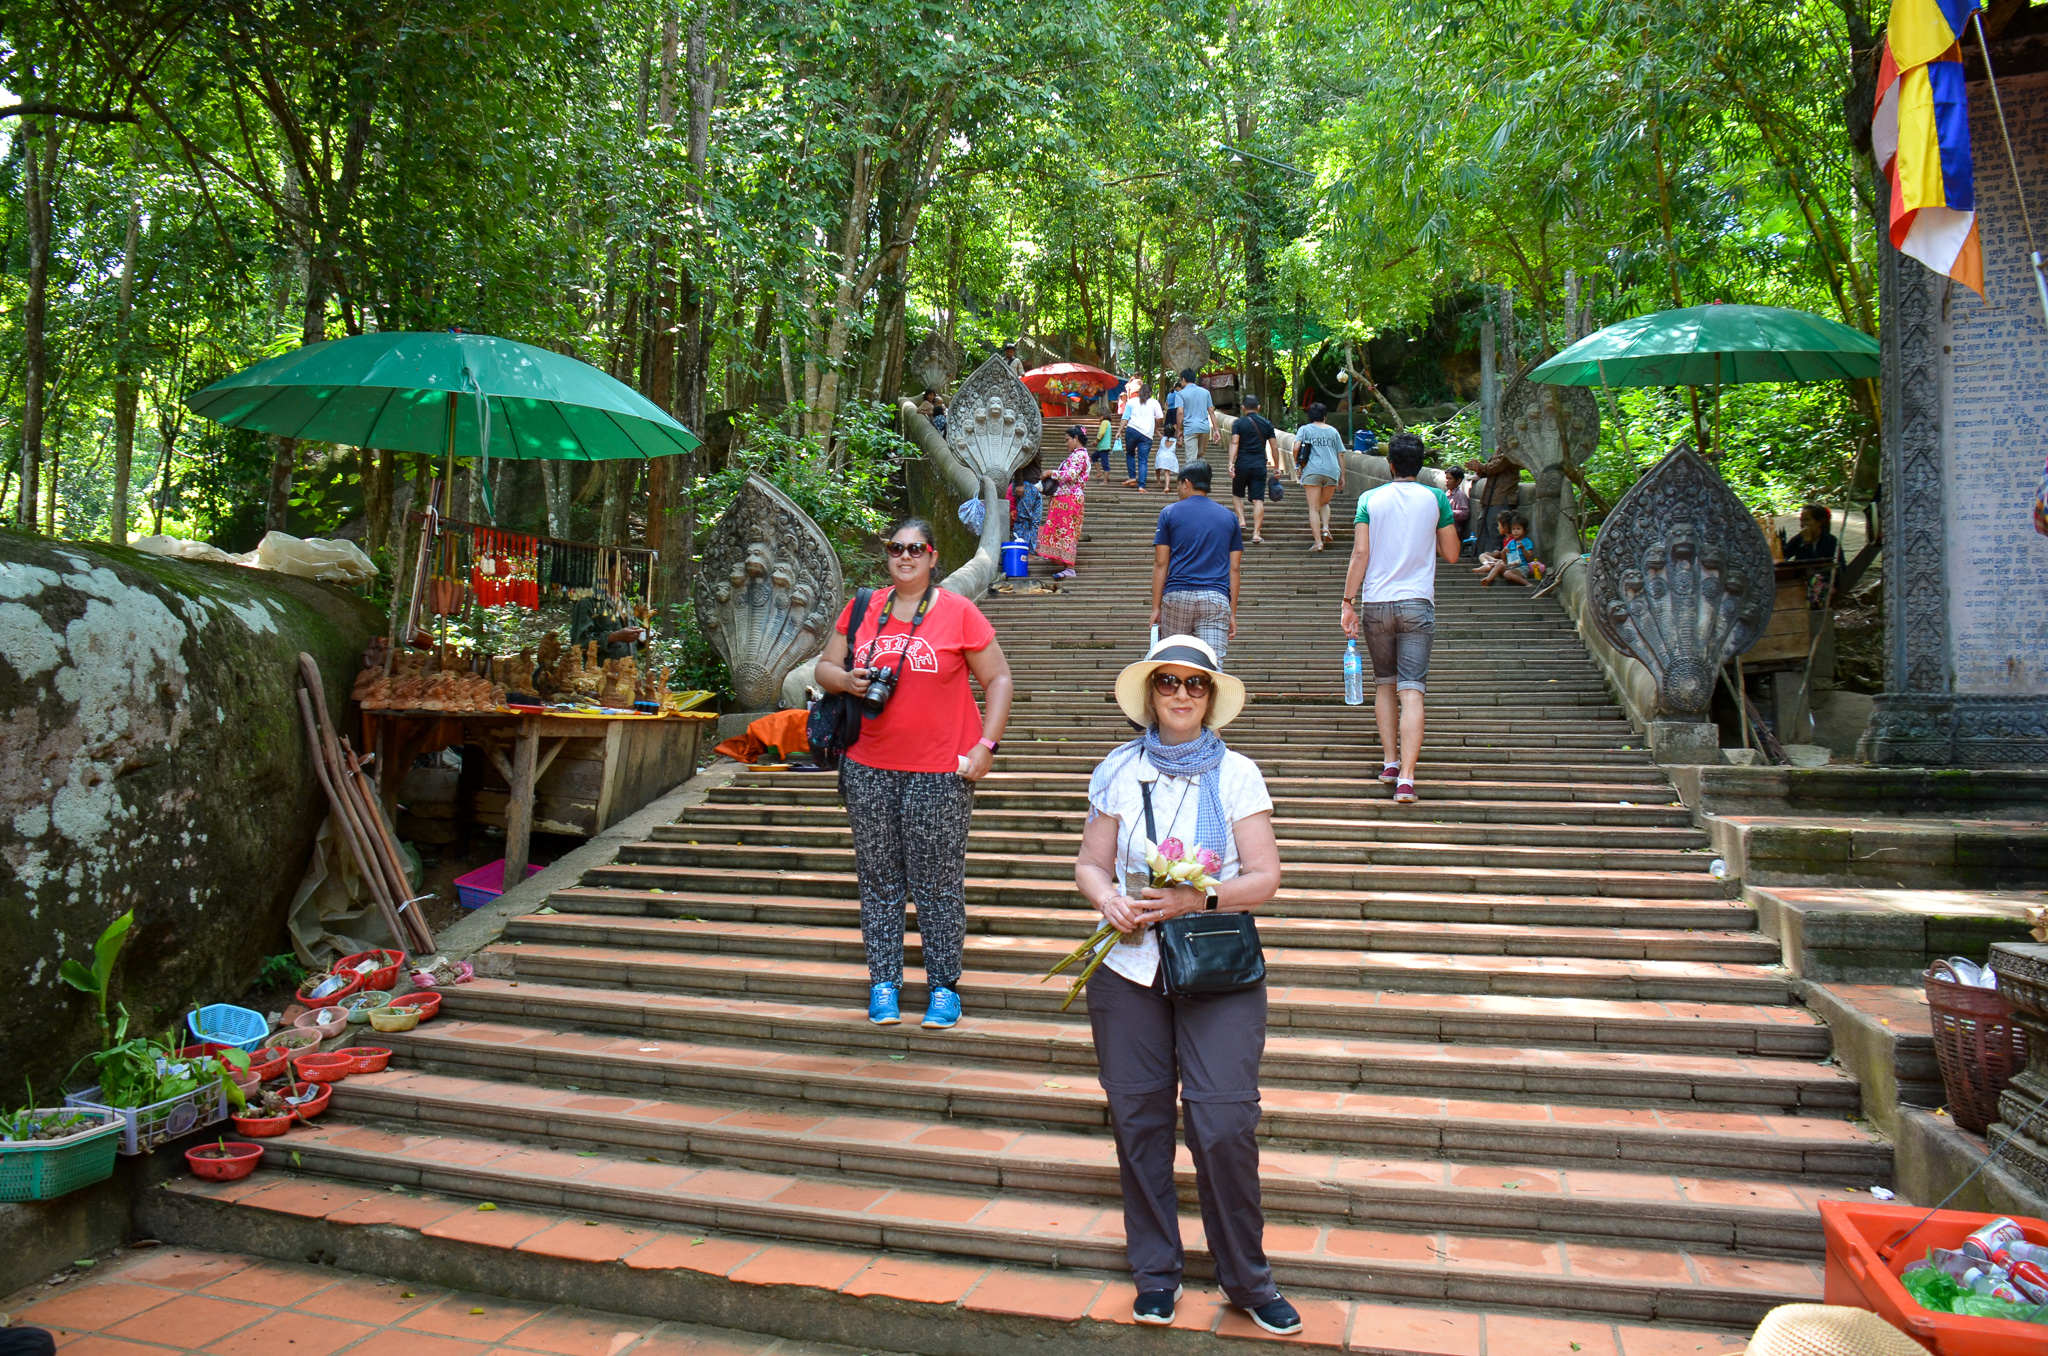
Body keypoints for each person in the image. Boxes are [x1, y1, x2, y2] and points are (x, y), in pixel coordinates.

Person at [1071, 634, 1300, 1336]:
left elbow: (1264, 877)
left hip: (1215, 968)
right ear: (1150, 693)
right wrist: (1108, 900)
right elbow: (1090, 864)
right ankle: (1156, 1274)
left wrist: (1198, 898)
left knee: (1223, 1122)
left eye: (1194, 683)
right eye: (1167, 681)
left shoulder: (1238, 774)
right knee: (1138, 1122)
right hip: (1128, 968)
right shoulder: (1117, 770)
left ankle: (1248, 1279)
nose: (1180, 693)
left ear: (1210, 696)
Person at [813, 518, 1015, 1029]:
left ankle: (944, 987)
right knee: (878, 880)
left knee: (937, 883)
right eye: (896, 548)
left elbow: (998, 678)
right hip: (867, 766)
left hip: (939, 772)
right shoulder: (863, 606)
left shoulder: (959, 611)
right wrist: (848, 681)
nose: (905, 556)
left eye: (916, 549)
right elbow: (824, 669)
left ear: (933, 556)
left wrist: (987, 745)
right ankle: (884, 982)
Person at [1340, 432, 1460, 805]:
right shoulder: (1436, 498)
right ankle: (1406, 779)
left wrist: (1347, 601)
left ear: (1390, 464)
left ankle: (1390, 762)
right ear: (1419, 466)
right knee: (1412, 691)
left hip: (1377, 604)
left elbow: (1360, 553)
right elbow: (1452, 553)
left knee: (1385, 685)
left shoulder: (1369, 499)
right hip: (1417, 603)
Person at [1151, 461, 1242, 658]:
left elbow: (1161, 563)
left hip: (1177, 596)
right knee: (1211, 663)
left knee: (1174, 661)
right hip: (1215, 598)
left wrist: (1156, 607)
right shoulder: (1229, 518)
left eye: (1177, 484)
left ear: (1187, 483)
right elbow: (1234, 569)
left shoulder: (1169, 513)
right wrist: (1232, 613)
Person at [1039, 426, 1092, 579]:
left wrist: (1051, 472)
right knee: (1065, 531)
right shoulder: (1078, 455)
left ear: (1076, 438)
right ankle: (1066, 565)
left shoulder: (1079, 455)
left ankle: (1069, 567)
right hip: (1067, 498)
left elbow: (1070, 475)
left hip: (1069, 499)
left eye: (1068, 439)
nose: (1066, 443)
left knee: (1067, 531)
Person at [1292, 402, 1346, 551]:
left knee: (1313, 508)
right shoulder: (1333, 431)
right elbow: (1341, 454)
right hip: (1332, 470)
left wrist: (1297, 463)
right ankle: (1326, 528)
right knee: (1325, 502)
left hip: (1312, 470)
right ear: (1325, 417)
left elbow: (1296, 447)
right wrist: (1342, 476)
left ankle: (1318, 542)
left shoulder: (1305, 429)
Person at [1227, 392, 1277, 544]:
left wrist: (1231, 463)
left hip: (1242, 464)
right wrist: (1276, 467)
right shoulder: (1267, 424)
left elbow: (1234, 442)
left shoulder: (1238, 423)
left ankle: (1242, 520)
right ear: (1259, 407)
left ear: (1243, 408)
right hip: (1259, 465)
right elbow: (1274, 447)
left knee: (1237, 494)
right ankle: (1256, 533)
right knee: (1258, 500)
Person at [1463, 450, 1520, 556]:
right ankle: (1483, 557)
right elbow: (1489, 467)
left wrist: (1480, 467)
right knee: (1482, 528)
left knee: (1496, 530)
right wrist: (1479, 469)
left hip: (1502, 496)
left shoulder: (1511, 448)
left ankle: (1494, 558)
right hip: (1489, 497)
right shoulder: (1500, 448)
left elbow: (1495, 467)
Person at [1123, 381, 1166, 492]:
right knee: (1143, 460)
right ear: (1150, 393)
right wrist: (1156, 426)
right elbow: (1160, 417)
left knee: (1130, 453)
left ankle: (1132, 476)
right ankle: (1141, 485)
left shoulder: (1132, 401)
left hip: (1132, 430)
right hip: (1147, 434)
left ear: (1140, 392)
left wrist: (1119, 431)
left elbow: (1125, 417)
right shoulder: (1154, 403)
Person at [1478, 515, 1537, 586]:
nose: (1515, 531)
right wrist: (1503, 551)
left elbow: (1529, 558)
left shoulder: (1527, 542)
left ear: (1524, 530)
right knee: (1499, 565)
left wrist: (1523, 548)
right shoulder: (1511, 543)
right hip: (1510, 566)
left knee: (1507, 573)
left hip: (1521, 568)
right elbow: (1504, 559)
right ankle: (1488, 579)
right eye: (1513, 529)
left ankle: (1527, 584)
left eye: (1518, 529)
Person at [1173, 368, 1214, 466]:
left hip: (1190, 428)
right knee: (1201, 457)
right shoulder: (1205, 392)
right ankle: (1201, 475)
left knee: (1191, 459)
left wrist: (1178, 429)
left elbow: (1180, 412)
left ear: (1183, 379)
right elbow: (1211, 411)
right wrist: (1216, 430)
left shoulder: (1180, 394)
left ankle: (1191, 476)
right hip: (1204, 428)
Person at [1008, 458, 1045, 553]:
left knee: (1035, 521)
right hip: (1025, 483)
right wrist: (1019, 483)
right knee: (1023, 519)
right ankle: (1019, 551)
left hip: (1036, 484)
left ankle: (1031, 551)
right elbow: (1020, 460)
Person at [1444, 467, 1471, 544]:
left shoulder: (1460, 495)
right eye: (1446, 478)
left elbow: (1464, 513)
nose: (1447, 481)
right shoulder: (1447, 493)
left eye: (1450, 479)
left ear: (1458, 481)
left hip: (1452, 530)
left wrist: (1449, 513)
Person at [1094, 413, 1118, 482]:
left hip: (1104, 447)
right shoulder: (1108, 423)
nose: (1099, 419)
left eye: (1099, 417)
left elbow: (1101, 433)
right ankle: (1099, 472)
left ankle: (1105, 481)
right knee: (1093, 457)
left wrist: (1096, 440)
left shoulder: (1104, 422)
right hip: (1101, 447)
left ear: (1103, 416)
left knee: (1105, 463)